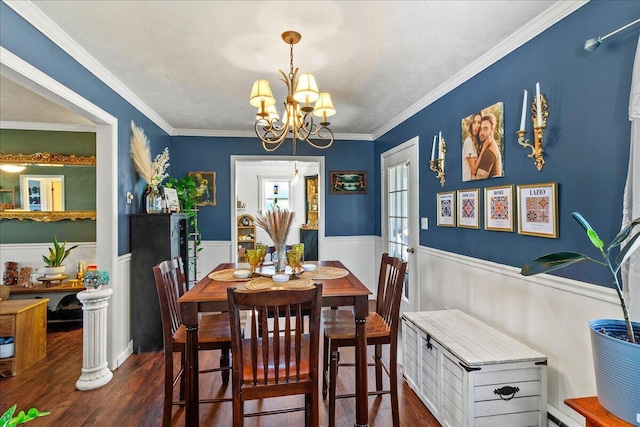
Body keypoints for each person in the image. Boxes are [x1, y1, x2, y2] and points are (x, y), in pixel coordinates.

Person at [475, 113, 503, 179]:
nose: (481, 133)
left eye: (485, 129)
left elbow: (478, 180)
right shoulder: (490, 146)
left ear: (492, 130)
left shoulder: (489, 152)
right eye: (480, 129)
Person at [462, 113, 482, 181]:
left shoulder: (475, 142)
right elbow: (473, 170)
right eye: (474, 122)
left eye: (479, 122)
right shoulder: (469, 142)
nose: (476, 126)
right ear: (471, 124)